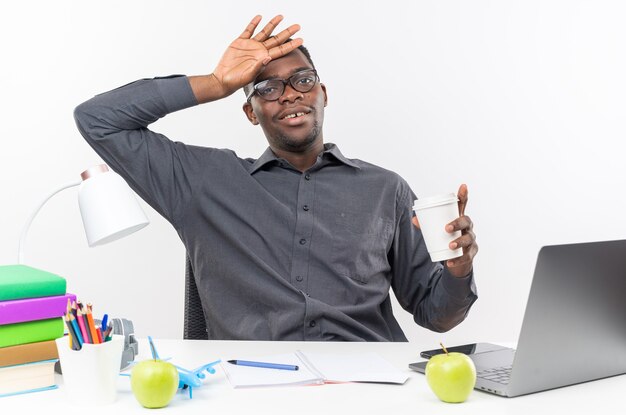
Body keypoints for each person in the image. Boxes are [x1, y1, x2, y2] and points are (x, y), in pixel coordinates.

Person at [74, 15, 478, 341]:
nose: (290, 94)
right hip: (252, 387)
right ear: (250, 112)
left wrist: (458, 271)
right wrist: (215, 85)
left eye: (303, 81)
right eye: (267, 88)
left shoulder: (385, 189)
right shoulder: (202, 182)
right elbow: (98, 121)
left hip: (369, 382)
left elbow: (435, 315)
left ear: (323, 93)